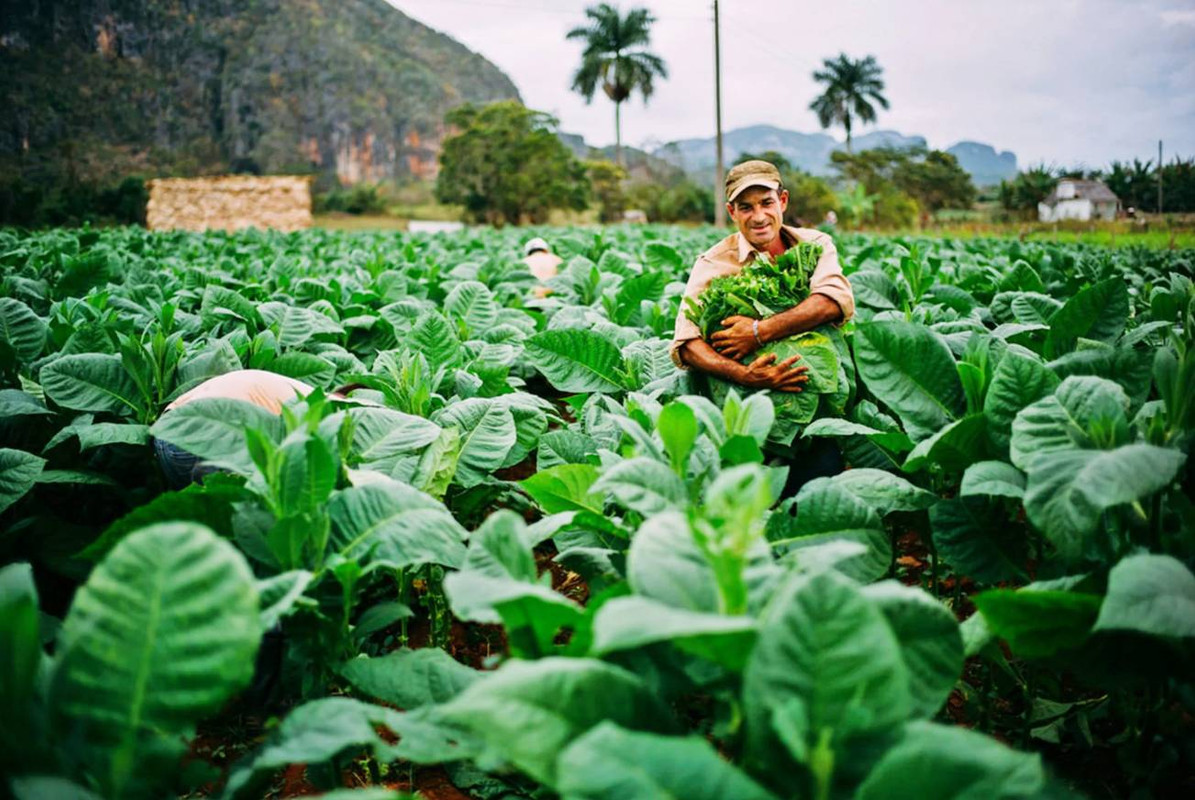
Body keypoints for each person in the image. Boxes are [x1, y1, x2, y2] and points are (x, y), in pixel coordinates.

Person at [671, 159, 855, 488]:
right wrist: (745, 375)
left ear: (782, 201)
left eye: (766, 203)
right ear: (732, 212)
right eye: (746, 207)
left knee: (817, 502)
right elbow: (686, 344)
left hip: (817, 414)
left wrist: (757, 333)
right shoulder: (713, 263)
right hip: (747, 417)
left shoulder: (813, 246)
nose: (758, 217)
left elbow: (831, 301)